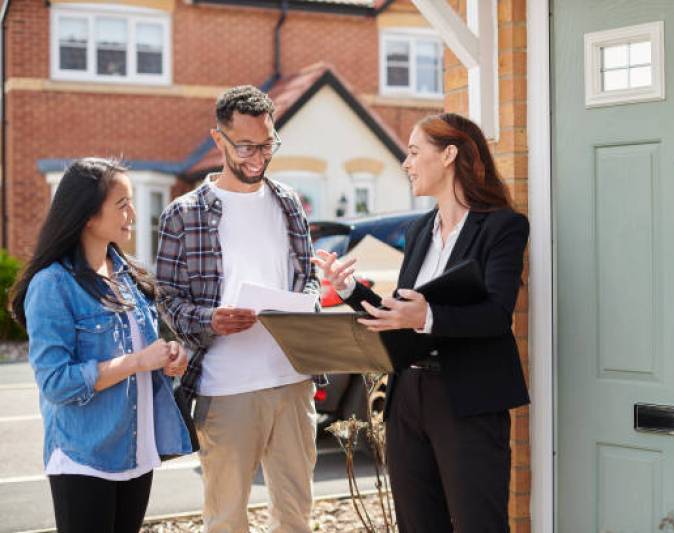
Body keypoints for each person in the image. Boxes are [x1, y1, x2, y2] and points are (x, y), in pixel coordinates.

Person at [313, 112, 530, 533]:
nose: (406, 163)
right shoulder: (418, 232)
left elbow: (497, 315)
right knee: (416, 523)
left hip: (468, 398)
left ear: (449, 155)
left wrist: (426, 315)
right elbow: (399, 314)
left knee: (477, 523)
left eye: (414, 152)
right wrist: (352, 290)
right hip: (407, 396)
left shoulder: (502, 226)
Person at [156, 85, 321, 533]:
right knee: (226, 519)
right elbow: (167, 301)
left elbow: (308, 275)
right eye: (246, 146)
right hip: (226, 388)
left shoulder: (289, 204)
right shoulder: (183, 214)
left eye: (267, 144)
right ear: (219, 140)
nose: (259, 156)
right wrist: (210, 320)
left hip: (293, 381)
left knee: (296, 518)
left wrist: (306, 300)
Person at [9, 157, 193, 533]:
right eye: (122, 204)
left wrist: (168, 359)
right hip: (85, 455)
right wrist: (136, 362)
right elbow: (56, 382)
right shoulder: (52, 285)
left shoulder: (128, 276)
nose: (133, 214)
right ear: (88, 215)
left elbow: (143, 353)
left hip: (136, 452)